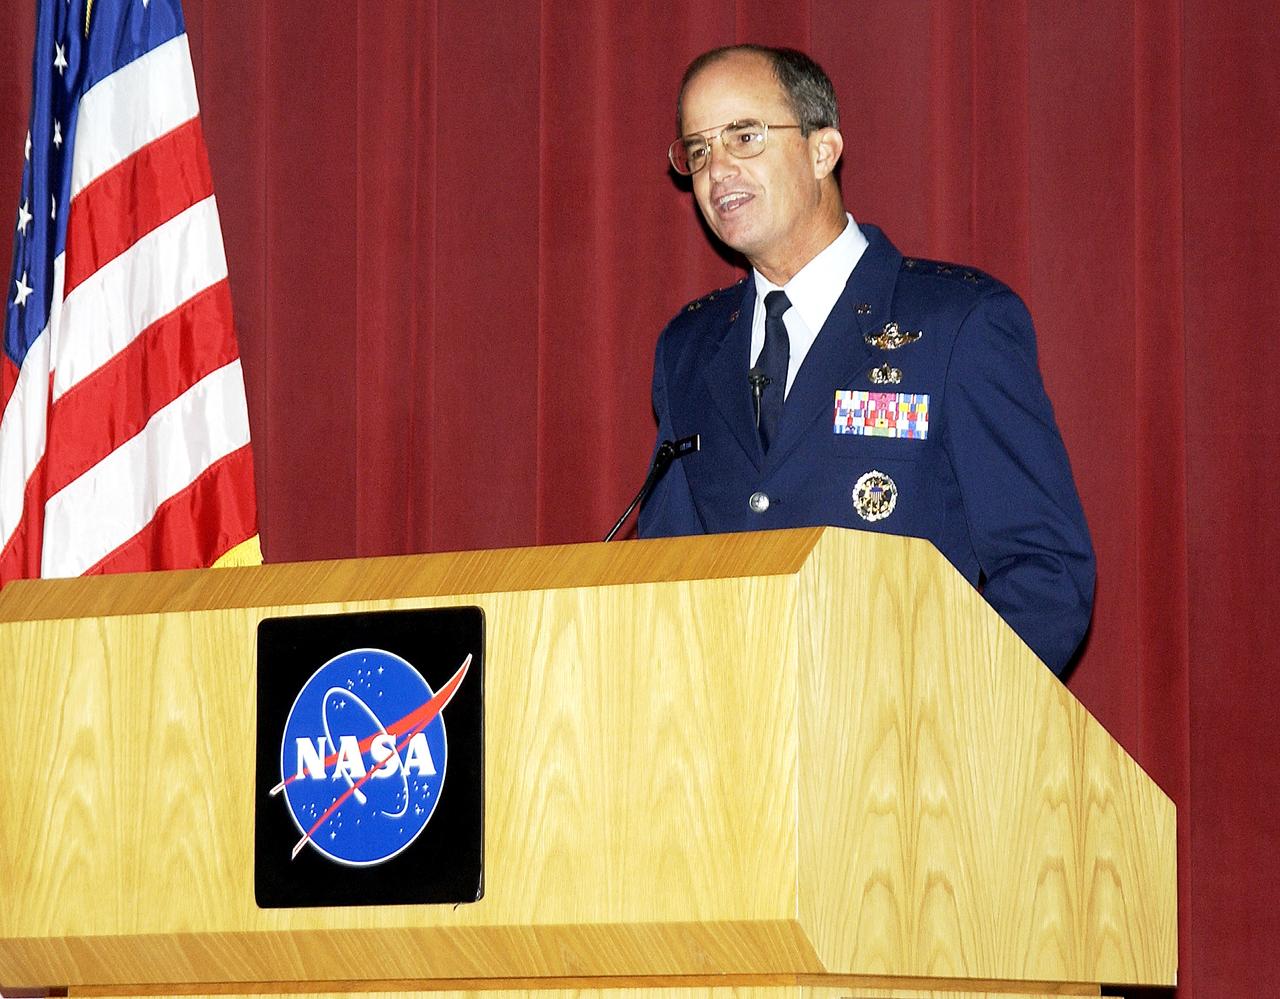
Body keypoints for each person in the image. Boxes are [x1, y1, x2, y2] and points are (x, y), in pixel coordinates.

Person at [637, 45, 1095, 675]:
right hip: (736, 748)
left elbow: (1044, 571)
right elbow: (662, 577)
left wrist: (936, 728)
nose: (717, 170)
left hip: (902, 745)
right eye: (698, 150)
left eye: (744, 136)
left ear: (823, 150)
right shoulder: (690, 348)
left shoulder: (957, 322)